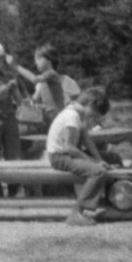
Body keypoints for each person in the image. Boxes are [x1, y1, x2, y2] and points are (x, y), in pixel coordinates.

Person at [46, 86, 116, 227]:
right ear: (89, 104)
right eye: (95, 113)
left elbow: (87, 140)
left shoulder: (77, 114)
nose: (94, 117)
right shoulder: (71, 116)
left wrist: (100, 160)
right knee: (98, 172)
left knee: (111, 158)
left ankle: (114, 200)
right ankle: (76, 213)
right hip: (59, 157)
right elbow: (70, 147)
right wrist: (95, 163)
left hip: (66, 155)